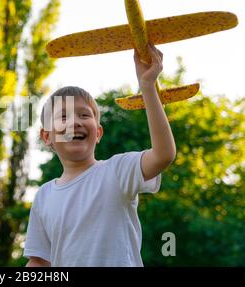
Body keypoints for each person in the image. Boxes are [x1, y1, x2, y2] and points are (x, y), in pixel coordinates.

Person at [23, 43, 176, 267]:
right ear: (47, 137)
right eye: (63, 117)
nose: (75, 122)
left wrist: (148, 86)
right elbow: (39, 261)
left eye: (84, 115)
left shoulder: (117, 171)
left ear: (98, 133)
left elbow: (163, 154)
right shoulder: (44, 196)